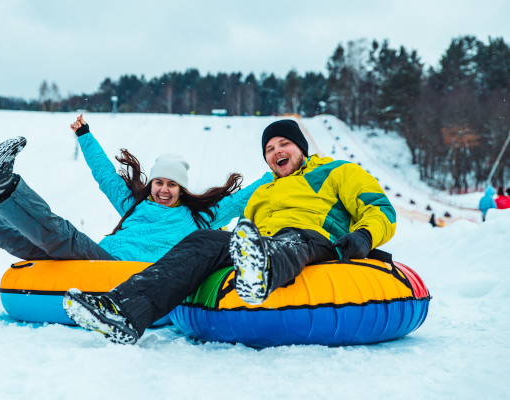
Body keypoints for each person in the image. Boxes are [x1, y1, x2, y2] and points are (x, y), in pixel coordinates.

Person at [64, 119, 396, 344]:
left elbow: (381, 209)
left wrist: (364, 237)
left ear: (301, 147)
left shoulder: (337, 171)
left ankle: (262, 272)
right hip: (262, 241)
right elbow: (242, 233)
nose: (277, 152)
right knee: (202, 240)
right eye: (269, 149)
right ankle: (122, 311)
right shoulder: (264, 192)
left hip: (314, 238)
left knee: (293, 238)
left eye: (284, 144)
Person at [0, 115, 272, 263]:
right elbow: (105, 175)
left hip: (118, 270)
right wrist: (85, 136)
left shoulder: (199, 218)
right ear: (152, 184)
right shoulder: (134, 206)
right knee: (18, 237)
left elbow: (245, 197)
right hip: (97, 259)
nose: (164, 189)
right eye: (159, 182)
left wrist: (278, 172)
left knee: (62, 234)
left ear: (182, 189)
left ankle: (3, 182)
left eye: (171, 185)